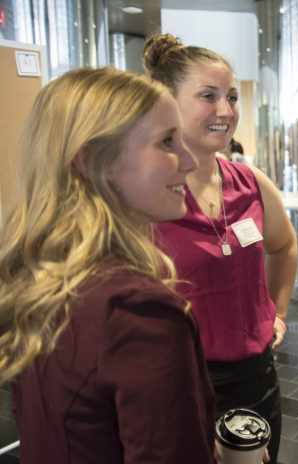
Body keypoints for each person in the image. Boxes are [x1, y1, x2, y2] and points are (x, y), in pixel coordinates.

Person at [0, 67, 215, 462]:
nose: (189, 161)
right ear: (96, 162)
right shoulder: (138, 312)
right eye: (167, 142)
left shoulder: (38, 276)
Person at [143, 34, 298, 464]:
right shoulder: (148, 196)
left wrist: (277, 312)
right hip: (182, 383)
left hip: (258, 377)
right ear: (168, 102)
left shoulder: (251, 182)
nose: (226, 111)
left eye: (231, 96)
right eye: (208, 97)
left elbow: (283, 247)